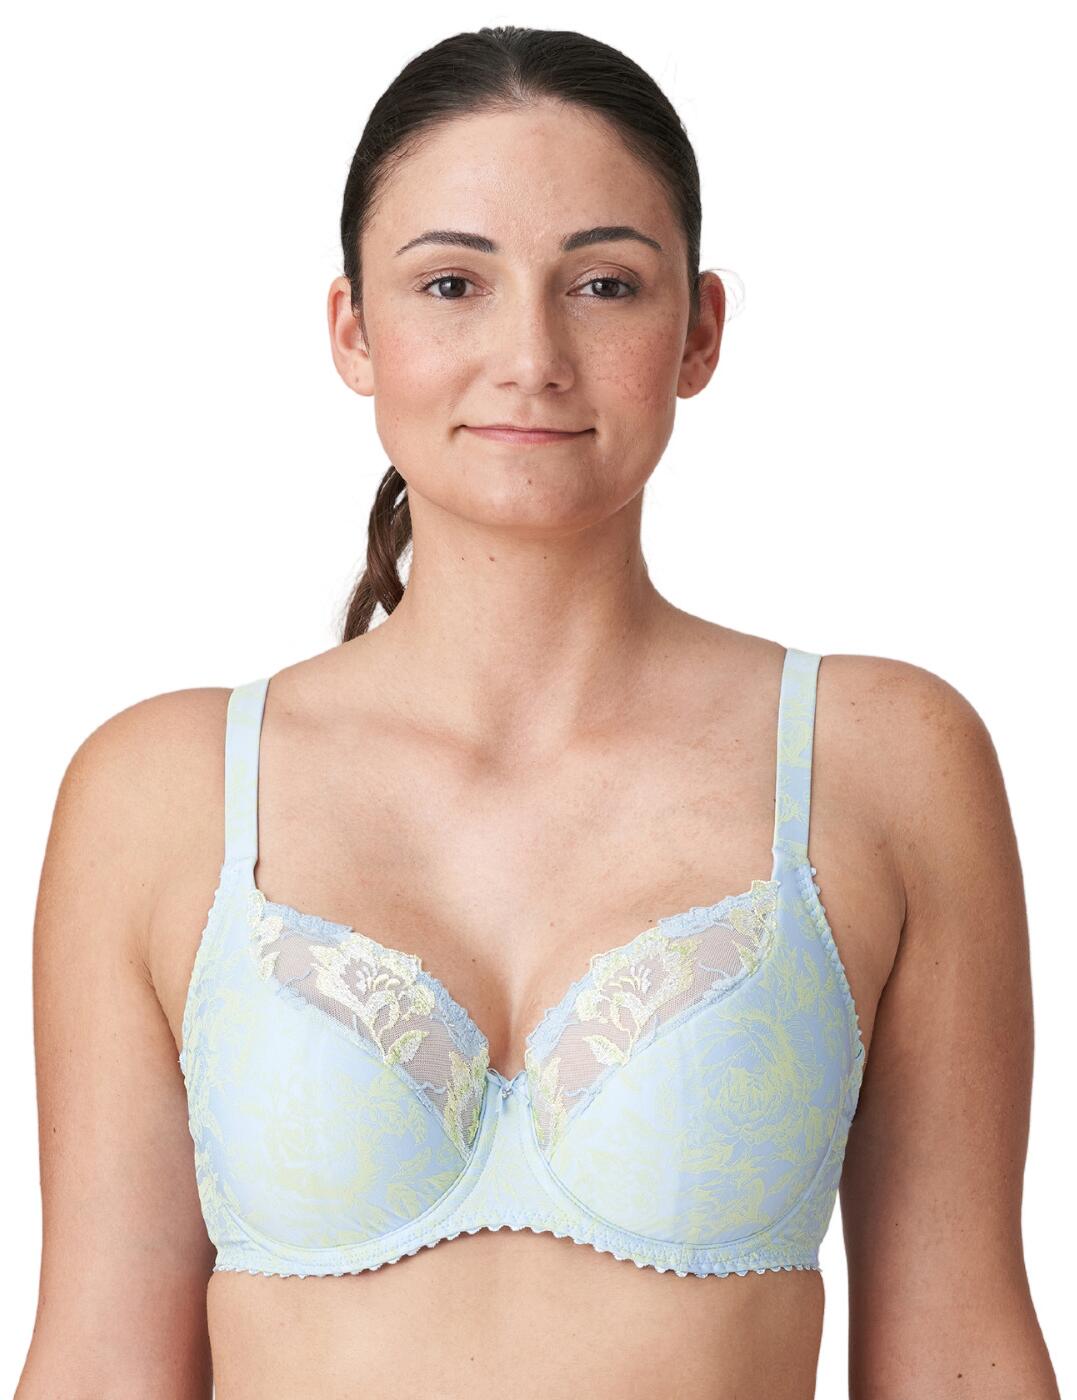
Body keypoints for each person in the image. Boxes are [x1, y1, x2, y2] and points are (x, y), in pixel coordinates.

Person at [16, 24, 1059, 1400]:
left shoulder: (882, 760)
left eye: (604, 284)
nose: (531, 355)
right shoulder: (162, 790)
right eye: (452, 283)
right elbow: (99, 1363)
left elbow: (959, 1352)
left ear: (698, 332)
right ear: (353, 331)